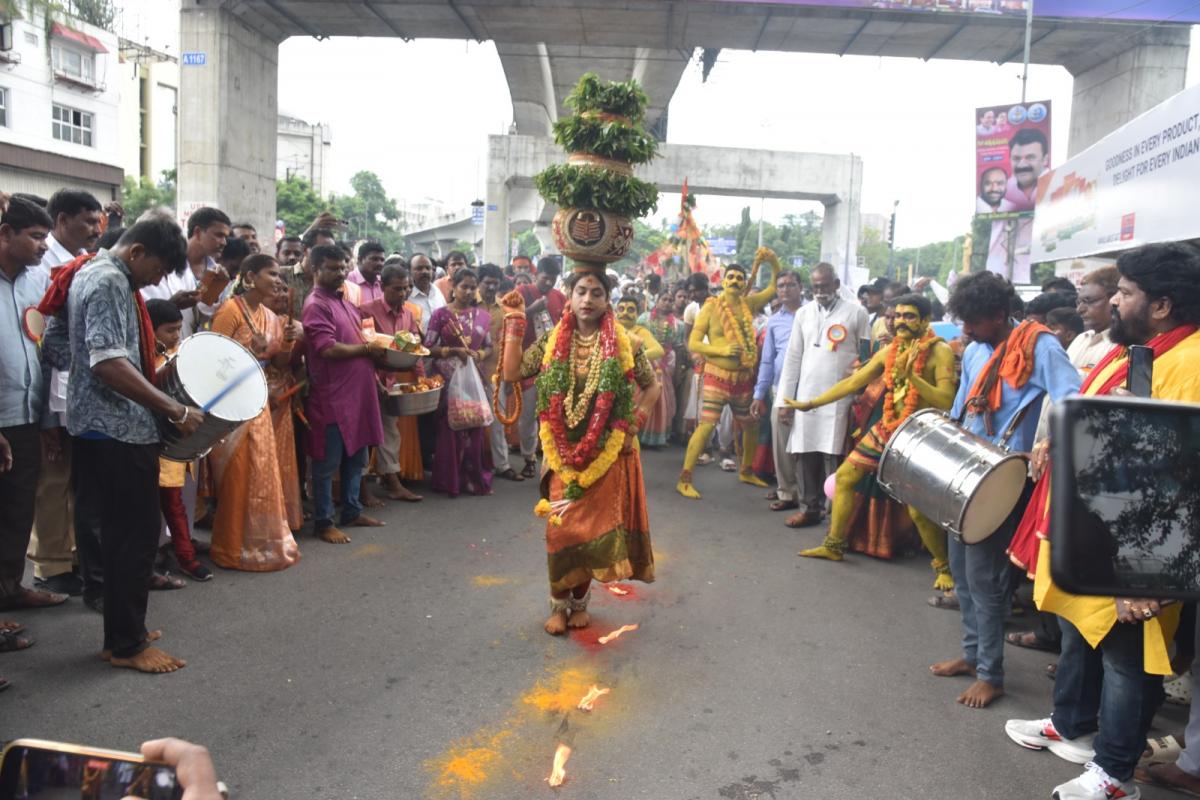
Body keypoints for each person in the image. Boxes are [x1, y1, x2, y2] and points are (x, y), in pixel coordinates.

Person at [1007, 242, 1200, 800]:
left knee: (1127, 663)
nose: (1114, 302)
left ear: (1161, 304)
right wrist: (1054, 439)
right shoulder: (1138, 351)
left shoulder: (1186, 364)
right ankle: (1071, 726)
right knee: (1078, 635)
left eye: (1125, 292)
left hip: (1136, 547)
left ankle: (1114, 774)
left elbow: (1175, 482)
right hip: (1094, 532)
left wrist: (1145, 576)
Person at [40, 214, 204, 673]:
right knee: (132, 537)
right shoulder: (110, 279)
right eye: (155, 271)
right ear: (136, 252)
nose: (155, 281)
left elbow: (55, 344)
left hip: (95, 424)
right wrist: (173, 408)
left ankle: (122, 631)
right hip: (119, 428)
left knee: (117, 536)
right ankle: (128, 645)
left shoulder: (85, 271)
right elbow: (108, 362)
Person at [928, 271, 1079, 709]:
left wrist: (1049, 439)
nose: (966, 332)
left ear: (999, 315)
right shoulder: (976, 350)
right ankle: (974, 656)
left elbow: (1072, 400)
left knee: (986, 579)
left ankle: (991, 674)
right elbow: (962, 408)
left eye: (974, 322)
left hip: (1004, 480)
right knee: (962, 573)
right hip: (965, 471)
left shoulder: (1041, 346)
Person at [497, 265, 660, 635]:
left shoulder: (626, 342)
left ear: (607, 300)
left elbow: (652, 387)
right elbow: (512, 373)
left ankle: (580, 603)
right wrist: (514, 322)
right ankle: (558, 604)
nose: (588, 299)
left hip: (607, 455)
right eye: (581, 291)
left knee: (593, 533)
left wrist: (636, 418)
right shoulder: (553, 339)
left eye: (596, 293)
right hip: (560, 453)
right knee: (561, 532)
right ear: (569, 296)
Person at [786, 294, 956, 587]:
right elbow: (854, 381)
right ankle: (834, 545)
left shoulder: (940, 352)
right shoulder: (890, 350)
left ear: (925, 320)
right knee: (845, 479)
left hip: (918, 434)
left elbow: (947, 399)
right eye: (898, 315)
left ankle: (944, 568)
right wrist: (811, 403)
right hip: (886, 429)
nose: (900, 321)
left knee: (915, 506)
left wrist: (911, 378)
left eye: (909, 316)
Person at [27, 190, 103, 597]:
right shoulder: (44, 266)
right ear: (61, 220)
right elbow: (44, 341)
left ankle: (72, 554)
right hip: (51, 385)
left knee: (77, 477)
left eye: (98, 222)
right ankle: (50, 563)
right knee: (53, 477)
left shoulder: (87, 264)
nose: (95, 229)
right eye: (88, 221)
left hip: (79, 385)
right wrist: (48, 414)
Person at [207, 254, 302, 571]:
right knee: (237, 473)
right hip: (230, 400)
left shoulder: (271, 317)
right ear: (249, 277)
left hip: (257, 399)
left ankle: (258, 542)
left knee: (260, 472)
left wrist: (288, 344)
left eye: (278, 275)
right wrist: (249, 354)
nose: (277, 279)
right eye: (270, 273)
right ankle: (231, 546)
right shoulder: (229, 310)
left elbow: (278, 364)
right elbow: (213, 357)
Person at [0, 198, 66, 625]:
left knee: (18, 512)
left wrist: (45, 420)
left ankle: (9, 590)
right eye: (36, 237)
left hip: (24, 418)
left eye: (45, 237)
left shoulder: (34, 282)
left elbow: (39, 347)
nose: (44, 246)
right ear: (5, 234)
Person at [302, 244, 388, 544]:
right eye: (332, 267)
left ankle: (352, 510)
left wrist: (375, 372)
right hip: (333, 399)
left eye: (342, 267)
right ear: (315, 270)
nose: (339, 273)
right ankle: (324, 521)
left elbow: (365, 339)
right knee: (327, 464)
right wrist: (367, 350)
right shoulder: (316, 304)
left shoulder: (344, 301)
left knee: (357, 458)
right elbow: (327, 348)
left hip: (359, 395)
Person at [677, 250, 778, 498]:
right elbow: (694, 343)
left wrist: (773, 263)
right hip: (716, 376)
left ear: (744, 284)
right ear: (723, 282)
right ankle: (685, 478)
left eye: (739, 278)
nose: (734, 281)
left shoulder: (749, 304)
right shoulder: (711, 308)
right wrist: (720, 349)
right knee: (706, 425)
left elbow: (773, 289)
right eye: (730, 277)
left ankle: (746, 470)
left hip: (743, 378)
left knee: (751, 425)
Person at [772, 263, 867, 525]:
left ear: (836, 285)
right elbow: (793, 358)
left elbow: (867, 355)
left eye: (825, 286)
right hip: (806, 397)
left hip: (841, 398)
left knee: (836, 456)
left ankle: (838, 514)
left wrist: (861, 390)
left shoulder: (857, 313)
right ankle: (809, 508)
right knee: (805, 453)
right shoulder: (803, 313)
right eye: (815, 286)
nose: (820, 291)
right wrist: (785, 402)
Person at [146, 299, 212, 582]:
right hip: (153, 445)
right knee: (156, 507)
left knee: (176, 503)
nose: (176, 336)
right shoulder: (144, 359)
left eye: (178, 329)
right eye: (170, 330)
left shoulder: (179, 354)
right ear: (150, 329)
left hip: (176, 443)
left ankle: (182, 553)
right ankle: (171, 557)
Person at [425, 268, 494, 497]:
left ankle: (473, 480)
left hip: (474, 378)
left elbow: (489, 348)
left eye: (472, 287)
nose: (468, 291)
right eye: (464, 286)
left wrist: (480, 356)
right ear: (453, 286)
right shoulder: (440, 315)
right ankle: (449, 480)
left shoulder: (483, 315)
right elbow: (428, 348)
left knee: (474, 424)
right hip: (448, 380)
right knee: (450, 427)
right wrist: (452, 350)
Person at [361, 264, 425, 500]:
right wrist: (375, 382)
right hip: (367, 381)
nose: (402, 293)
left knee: (390, 431)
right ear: (383, 287)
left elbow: (414, 348)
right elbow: (365, 351)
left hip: (392, 381)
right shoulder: (366, 311)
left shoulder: (408, 314)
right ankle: (361, 488)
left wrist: (420, 378)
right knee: (365, 435)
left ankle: (392, 480)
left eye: (406, 288)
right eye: (397, 289)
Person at [750, 270, 803, 510]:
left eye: (790, 285)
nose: (784, 290)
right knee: (781, 443)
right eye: (780, 286)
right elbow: (768, 360)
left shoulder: (813, 314)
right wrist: (759, 395)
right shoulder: (774, 321)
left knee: (808, 445)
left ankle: (812, 497)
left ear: (800, 287)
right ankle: (787, 493)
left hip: (811, 389)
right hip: (781, 389)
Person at [141, 207, 231, 339]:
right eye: (219, 235)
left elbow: (201, 320)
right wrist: (171, 305)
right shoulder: (139, 275)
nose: (224, 242)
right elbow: (136, 322)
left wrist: (212, 292)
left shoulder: (185, 272)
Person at [515, 256, 566, 478]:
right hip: (528, 363)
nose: (549, 283)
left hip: (553, 365)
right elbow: (509, 319)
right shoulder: (521, 292)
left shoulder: (560, 297)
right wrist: (529, 310)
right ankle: (528, 458)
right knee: (527, 414)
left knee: (554, 414)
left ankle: (551, 459)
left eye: (553, 280)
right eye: (545, 278)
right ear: (536, 275)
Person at [475, 262, 523, 482]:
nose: (492, 288)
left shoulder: (504, 311)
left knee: (497, 420)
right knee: (469, 420)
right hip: (469, 373)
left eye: (495, 284)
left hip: (495, 372)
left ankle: (502, 465)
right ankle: (472, 464)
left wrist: (508, 377)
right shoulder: (466, 305)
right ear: (478, 283)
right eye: (487, 284)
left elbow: (508, 345)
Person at [638, 289, 687, 448]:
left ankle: (657, 438)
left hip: (667, 364)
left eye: (670, 300)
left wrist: (679, 370)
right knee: (642, 395)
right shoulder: (644, 319)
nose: (667, 302)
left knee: (663, 398)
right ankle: (638, 434)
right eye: (663, 299)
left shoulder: (678, 325)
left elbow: (679, 349)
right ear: (657, 301)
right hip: (646, 360)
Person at [1004, 127, 1050, 212]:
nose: (1022, 165)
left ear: (1045, 160)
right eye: (1016, 158)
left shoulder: (1056, 184)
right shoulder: (1004, 190)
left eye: (1030, 157)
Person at [407, 252, 445, 332]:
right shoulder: (406, 296)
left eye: (428, 268)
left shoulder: (437, 291)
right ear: (410, 272)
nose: (424, 271)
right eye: (419, 268)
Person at [345, 240, 386, 308]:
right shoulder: (348, 281)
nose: (380, 263)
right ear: (360, 259)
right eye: (374, 259)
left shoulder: (383, 282)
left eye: (382, 260)